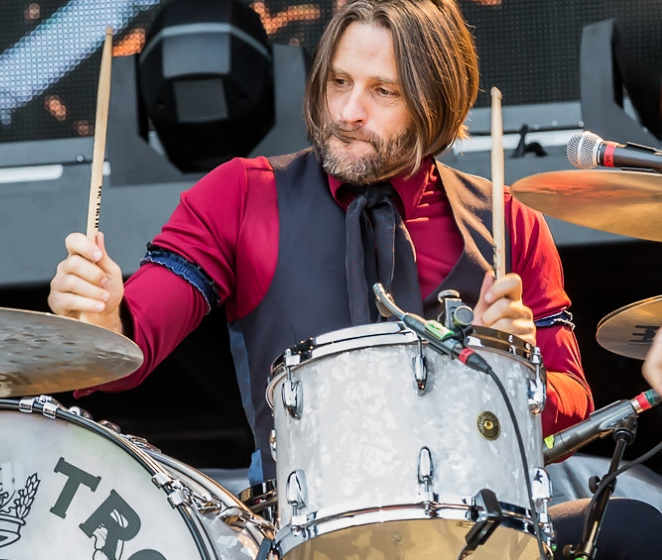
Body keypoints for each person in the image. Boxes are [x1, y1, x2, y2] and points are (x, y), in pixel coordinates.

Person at [49, 1, 662, 557]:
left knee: (635, 531)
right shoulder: (241, 194)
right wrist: (102, 319)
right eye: (339, 81)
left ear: (435, 103)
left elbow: (572, 403)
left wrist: (514, 367)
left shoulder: (509, 226)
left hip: (481, 531)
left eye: (382, 91)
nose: (347, 111)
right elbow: (131, 340)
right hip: (302, 537)